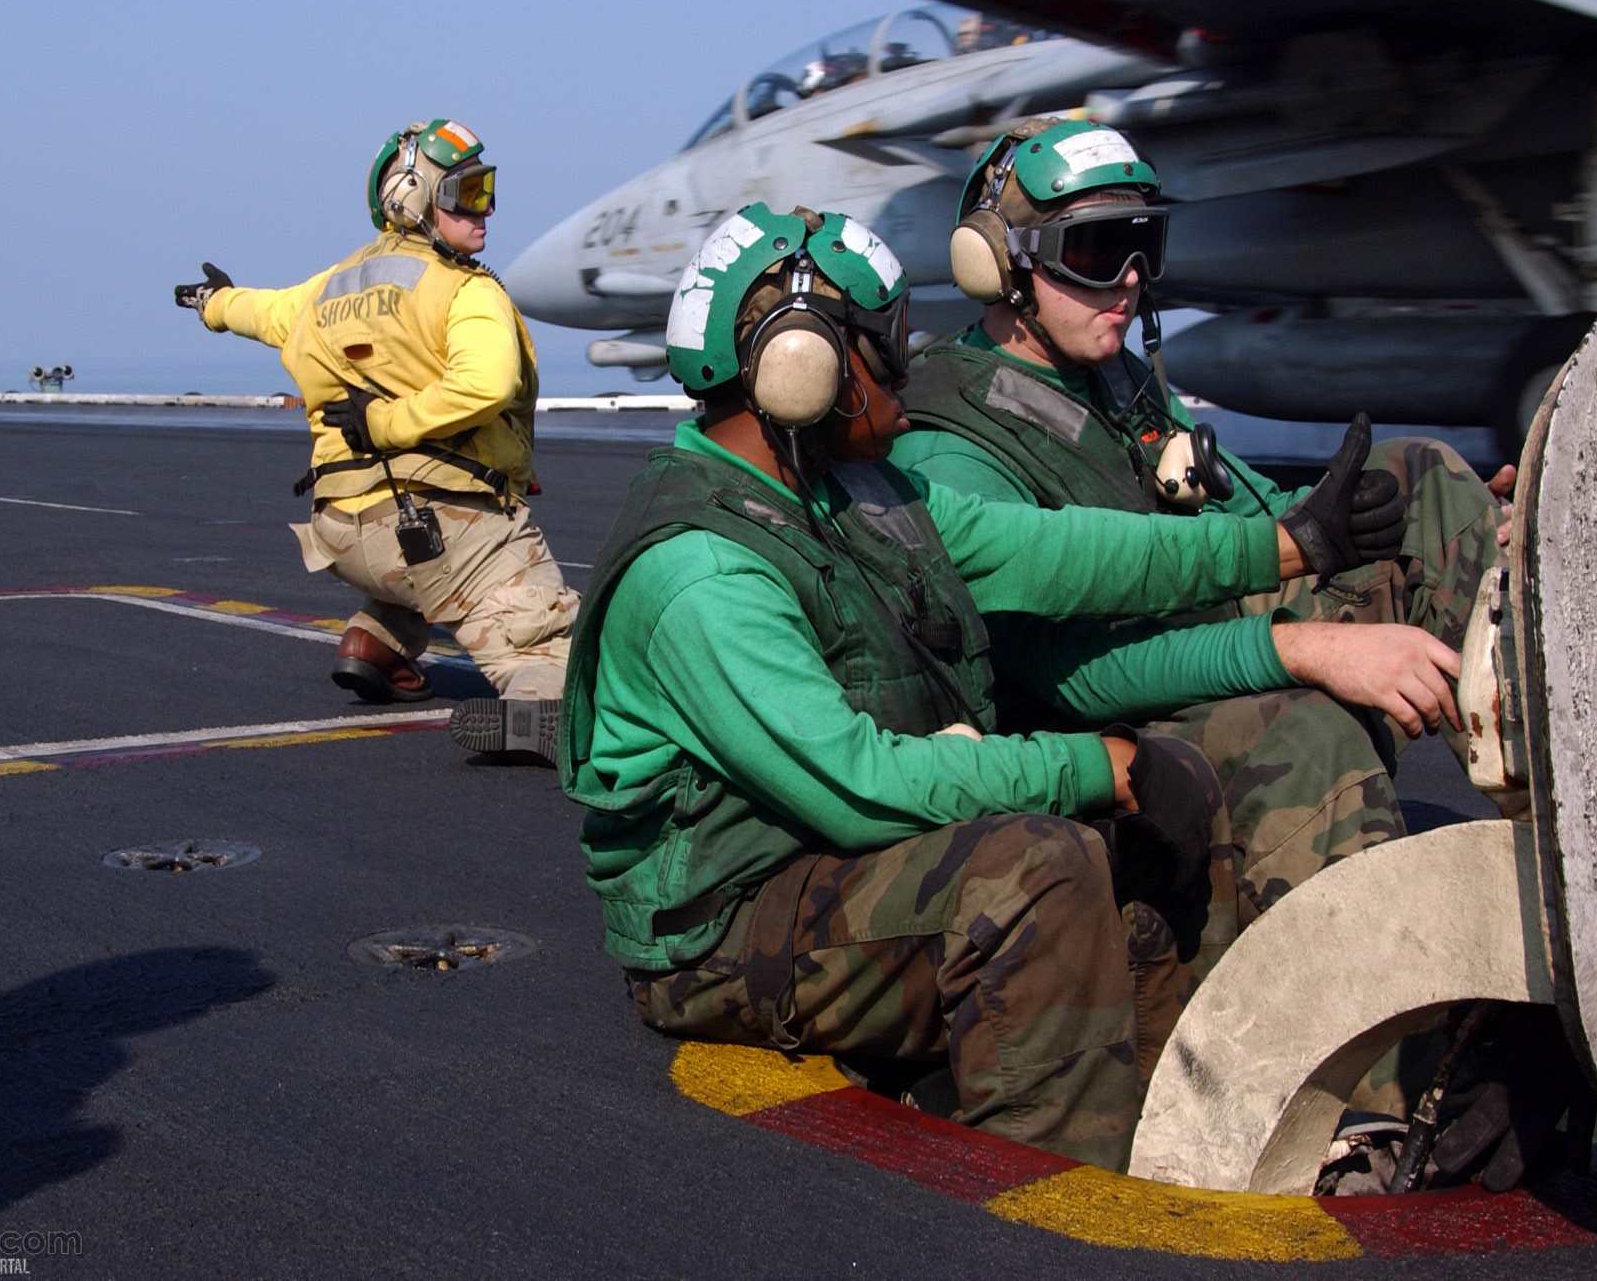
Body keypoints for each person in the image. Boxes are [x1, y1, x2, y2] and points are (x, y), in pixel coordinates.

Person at [557, 203, 1408, 1170]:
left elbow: (1059, 552)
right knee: (1032, 870)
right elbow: (857, 785)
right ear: (804, 371)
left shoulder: (855, 497)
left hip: (832, 867)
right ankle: (1049, 1201)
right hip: (725, 927)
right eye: (885, 352)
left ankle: (1190, 1141)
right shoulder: (703, 575)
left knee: (1165, 798)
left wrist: (1282, 544)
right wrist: (1086, 764)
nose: (909, 383)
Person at [892, 116, 1509, 1011]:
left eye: (1145, 247)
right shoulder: (950, 441)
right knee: (1307, 731)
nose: (1131, 282)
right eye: (1097, 251)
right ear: (1004, 266)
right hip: (1087, 728)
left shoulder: (1113, 377)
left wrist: (1472, 516)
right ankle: (1359, 1102)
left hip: (1192, 649)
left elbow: (1253, 507)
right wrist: (1300, 649)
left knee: (1423, 486)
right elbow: (1071, 679)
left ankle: (1564, 810)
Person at [177, 118, 575, 762]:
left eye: (488, 190)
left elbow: (264, 311)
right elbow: (489, 383)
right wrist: (387, 423)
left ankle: (376, 644)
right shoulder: (464, 290)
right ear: (413, 199)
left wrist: (212, 302)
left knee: (420, 561)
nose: (487, 210)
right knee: (564, 648)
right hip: (442, 525)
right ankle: (540, 706)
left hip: (341, 530)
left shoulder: (330, 288)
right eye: (468, 194)